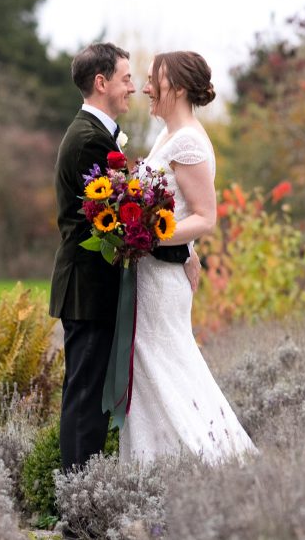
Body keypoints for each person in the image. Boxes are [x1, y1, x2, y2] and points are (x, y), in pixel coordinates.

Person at [49, 42, 196, 474]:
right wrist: (180, 249)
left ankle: (82, 498)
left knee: (89, 394)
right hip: (88, 289)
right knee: (85, 396)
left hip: (93, 288)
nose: (135, 87)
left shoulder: (96, 135)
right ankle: (79, 505)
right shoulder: (88, 141)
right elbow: (116, 224)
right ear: (102, 82)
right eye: (127, 78)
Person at [120, 50, 257, 464]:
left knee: (167, 367)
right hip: (151, 273)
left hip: (161, 279)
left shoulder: (189, 142)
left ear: (176, 87)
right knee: (148, 373)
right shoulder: (167, 136)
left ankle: (209, 458)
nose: (145, 88)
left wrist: (149, 238)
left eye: (152, 80)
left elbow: (205, 217)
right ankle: (155, 468)